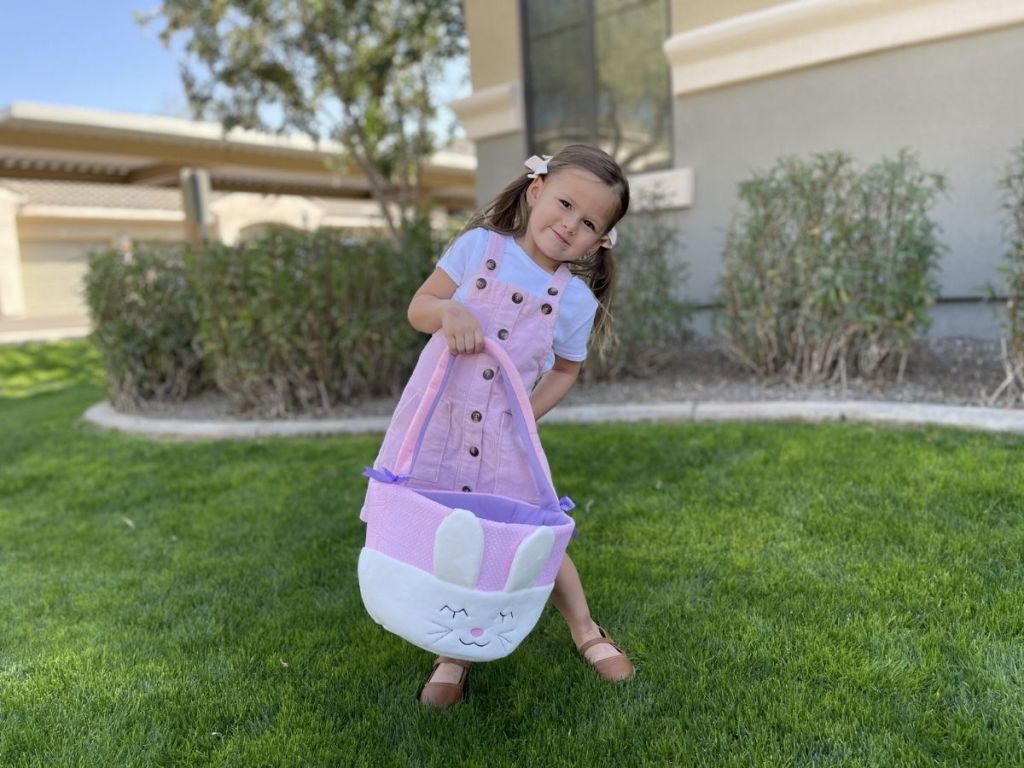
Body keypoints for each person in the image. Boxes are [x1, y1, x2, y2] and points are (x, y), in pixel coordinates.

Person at [373, 144, 634, 708]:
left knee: (533, 534)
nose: (570, 225)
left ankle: (586, 629)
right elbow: (420, 306)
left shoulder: (574, 303)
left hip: (503, 441)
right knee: (453, 536)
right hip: (441, 426)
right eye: (565, 204)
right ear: (536, 191)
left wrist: (526, 419)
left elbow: (565, 371)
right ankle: (454, 653)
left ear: (600, 240)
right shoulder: (477, 249)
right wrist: (449, 311)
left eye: (589, 223)